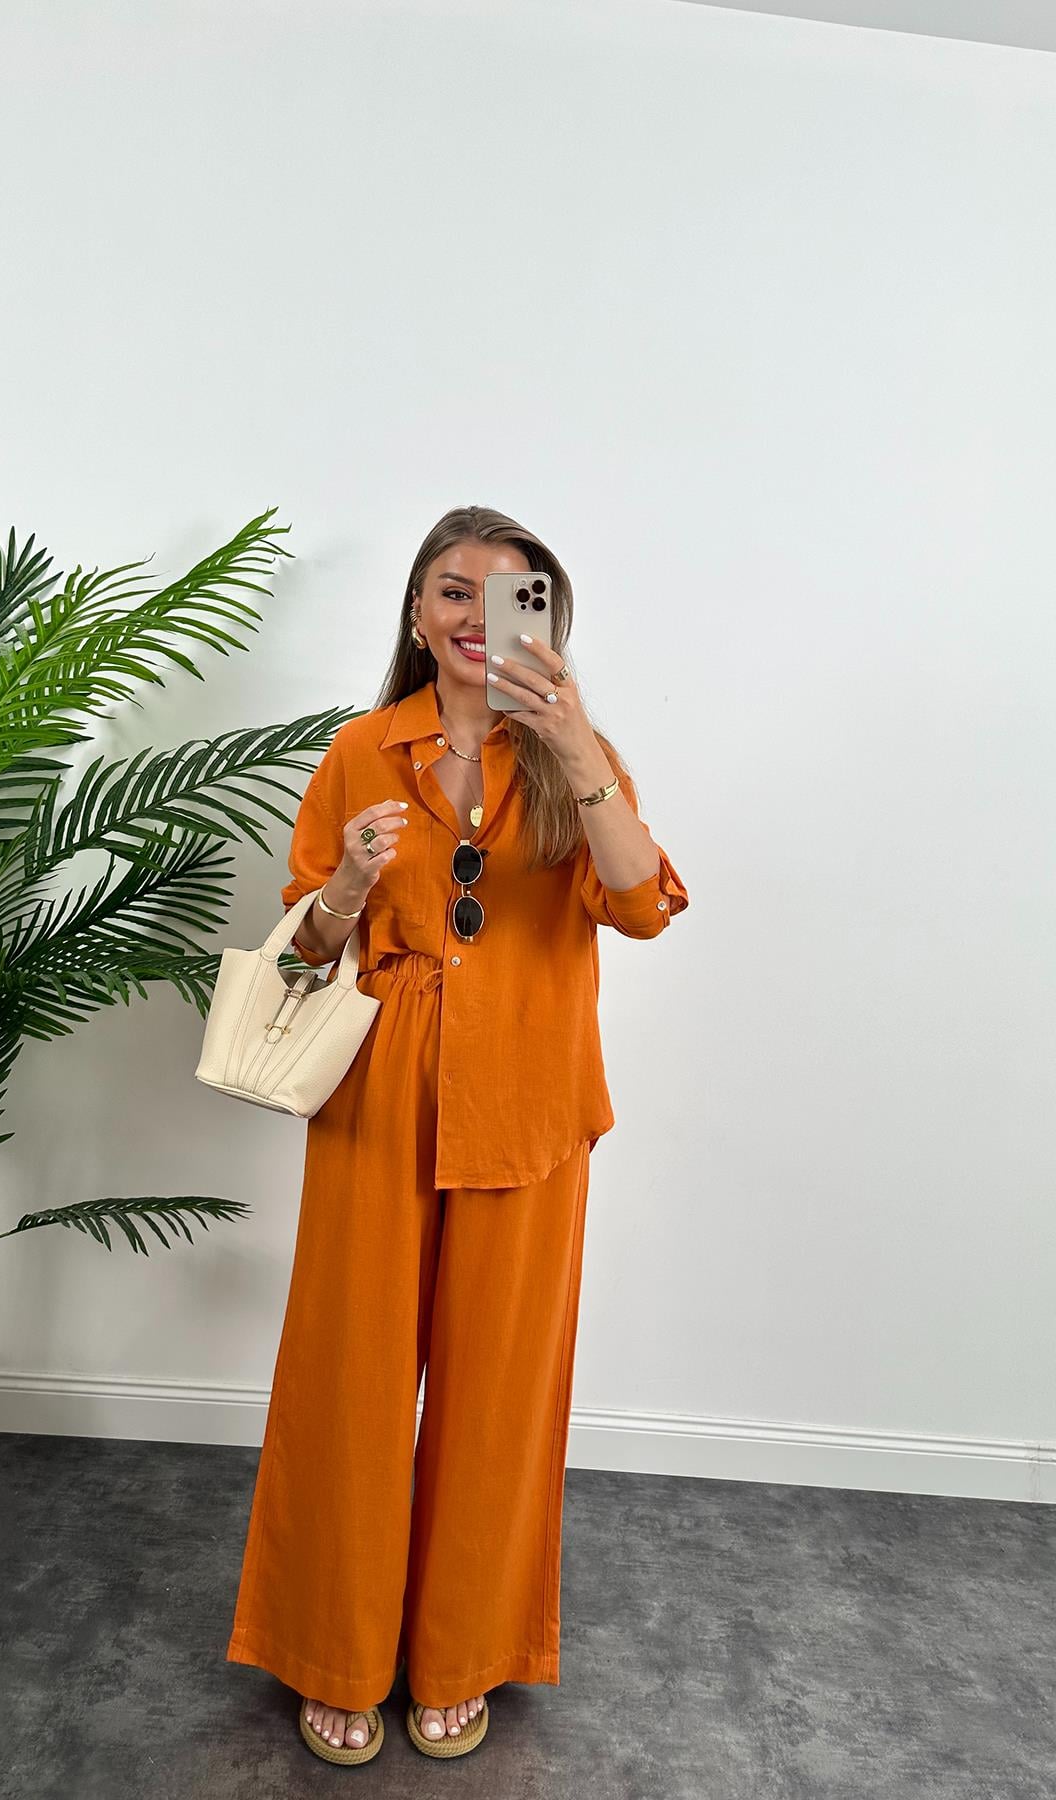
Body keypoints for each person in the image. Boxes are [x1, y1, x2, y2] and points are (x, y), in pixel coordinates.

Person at [226, 505, 689, 1763]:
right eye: (452, 591)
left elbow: (642, 906)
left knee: (499, 1392)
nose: (478, 616)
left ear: (547, 618)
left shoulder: (581, 756)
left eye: (509, 595)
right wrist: (346, 886)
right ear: (419, 618)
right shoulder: (361, 750)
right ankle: (335, 1649)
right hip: (380, 1094)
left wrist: (574, 744)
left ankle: (462, 1652)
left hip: (531, 1101)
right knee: (351, 1380)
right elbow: (306, 952)